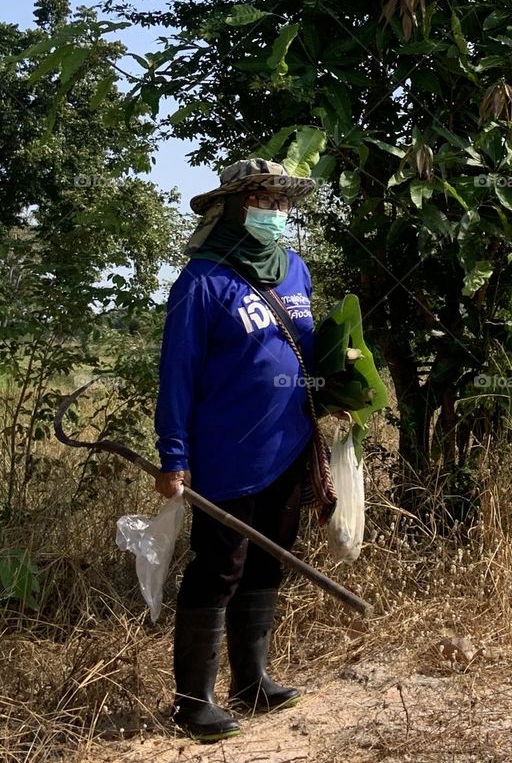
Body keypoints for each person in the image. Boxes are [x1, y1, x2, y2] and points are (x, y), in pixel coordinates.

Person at [154, 157, 330, 743]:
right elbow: (176, 375)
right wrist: (173, 455)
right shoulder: (202, 281)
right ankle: (193, 702)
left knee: (269, 558)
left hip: (290, 443)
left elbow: (309, 351)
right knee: (218, 567)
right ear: (232, 207)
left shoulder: (296, 271)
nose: (275, 213)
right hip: (227, 453)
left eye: (281, 203)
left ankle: (252, 683)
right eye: (262, 200)